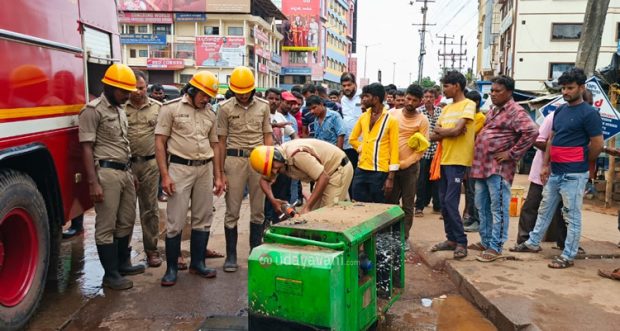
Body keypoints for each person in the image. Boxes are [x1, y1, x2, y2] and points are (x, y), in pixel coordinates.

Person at [512, 68, 603, 269]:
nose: (565, 92)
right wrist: (545, 165)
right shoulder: (560, 111)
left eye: (570, 88)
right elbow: (552, 139)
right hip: (555, 170)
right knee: (545, 208)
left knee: (571, 213)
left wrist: (582, 162)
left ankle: (568, 254)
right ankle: (533, 242)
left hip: (574, 173)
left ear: (581, 87)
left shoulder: (590, 113)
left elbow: (597, 143)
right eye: (563, 88)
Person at [78, 63, 144, 290]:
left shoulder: (119, 109)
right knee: (106, 225)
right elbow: (86, 147)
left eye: (129, 91)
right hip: (106, 174)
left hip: (125, 172)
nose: (127, 96)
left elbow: (124, 145)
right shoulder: (92, 110)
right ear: (109, 87)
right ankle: (110, 274)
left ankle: (123, 263)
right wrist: (92, 182)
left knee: (126, 220)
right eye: (123, 91)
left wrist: (131, 173)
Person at [155, 71, 224, 286]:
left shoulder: (210, 113)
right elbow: (159, 142)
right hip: (179, 169)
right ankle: (172, 269)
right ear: (192, 90)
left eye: (210, 97)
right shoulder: (171, 108)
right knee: (175, 221)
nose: (206, 100)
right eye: (203, 95)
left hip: (204, 169)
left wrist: (218, 176)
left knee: (202, 219)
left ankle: (198, 263)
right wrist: (165, 176)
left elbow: (214, 145)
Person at [469, 75, 538, 262]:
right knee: (481, 206)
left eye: (497, 91)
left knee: (498, 207)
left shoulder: (516, 111)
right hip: (481, 166)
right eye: (491, 90)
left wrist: (512, 153)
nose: (493, 94)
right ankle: (486, 241)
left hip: (498, 168)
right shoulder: (493, 110)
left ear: (509, 92)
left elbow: (532, 131)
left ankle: (496, 246)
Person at [217, 66, 272, 272]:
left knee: (258, 210)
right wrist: (220, 173)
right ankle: (231, 255)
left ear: (253, 88)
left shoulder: (264, 106)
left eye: (246, 91)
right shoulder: (225, 108)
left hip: (259, 160)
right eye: (238, 92)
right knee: (232, 209)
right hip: (234, 161)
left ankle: (254, 251)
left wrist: (269, 166)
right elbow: (221, 142)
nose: (242, 95)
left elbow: (267, 134)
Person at [429, 71, 476, 260]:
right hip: (444, 159)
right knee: (443, 203)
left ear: (456, 85)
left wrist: (445, 131)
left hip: (458, 161)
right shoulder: (446, 109)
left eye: (446, 86)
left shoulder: (469, 105)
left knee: (450, 202)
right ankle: (451, 239)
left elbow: (457, 131)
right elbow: (434, 135)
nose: (444, 90)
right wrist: (448, 131)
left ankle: (461, 242)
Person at [250, 139, 353, 214]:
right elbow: (263, 180)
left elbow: (323, 178)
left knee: (327, 214)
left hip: (338, 169)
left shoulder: (297, 155)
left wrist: (307, 206)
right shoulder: (273, 161)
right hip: (324, 172)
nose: (274, 171)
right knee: (314, 214)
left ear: (276, 156)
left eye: (274, 167)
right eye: (270, 171)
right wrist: (273, 200)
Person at [125, 70, 163, 267]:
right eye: (133, 88)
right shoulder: (121, 109)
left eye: (140, 88)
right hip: (126, 166)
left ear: (146, 87)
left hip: (150, 164)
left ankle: (151, 250)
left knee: (150, 210)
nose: (137, 92)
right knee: (126, 212)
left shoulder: (158, 109)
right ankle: (124, 254)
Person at [387, 84, 429, 250]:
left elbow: (422, 148)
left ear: (420, 102)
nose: (410, 102)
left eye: (414, 100)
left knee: (408, 203)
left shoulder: (422, 120)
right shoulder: (392, 114)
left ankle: (403, 237)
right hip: (391, 166)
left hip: (410, 168)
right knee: (390, 202)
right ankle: (389, 235)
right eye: (408, 98)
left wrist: (406, 163)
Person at [349, 83, 399, 203]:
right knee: (358, 205)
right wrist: (361, 148)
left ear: (376, 99)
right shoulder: (363, 117)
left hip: (380, 172)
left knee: (378, 207)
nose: (363, 99)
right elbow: (352, 139)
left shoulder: (391, 120)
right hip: (361, 169)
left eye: (366, 96)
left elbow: (394, 150)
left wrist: (390, 178)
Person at [415, 89, 442, 217]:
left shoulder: (440, 111)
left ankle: (437, 206)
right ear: (423, 98)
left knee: (436, 180)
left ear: (435, 98)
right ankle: (419, 207)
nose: (428, 99)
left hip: (436, 151)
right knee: (421, 180)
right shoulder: (419, 112)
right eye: (426, 96)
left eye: (431, 96)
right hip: (423, 151)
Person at [462, 91, 486, 233]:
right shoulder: (471, 117)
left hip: (475, 159)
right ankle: (471, 216)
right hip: (467, 157)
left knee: (474, 190)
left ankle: (477, 220)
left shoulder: (480, 117)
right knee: (470, 190)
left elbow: (469, 133)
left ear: (475, 102)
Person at [340, 73, 363, 197]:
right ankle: (352, 198)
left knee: (360, 173)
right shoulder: (343, 99)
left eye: (349, 85)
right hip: (347, 143)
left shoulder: (363, 96)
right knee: (349, 171)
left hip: (362, 143)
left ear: (355, 84)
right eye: (344, 85)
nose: (346, 88)